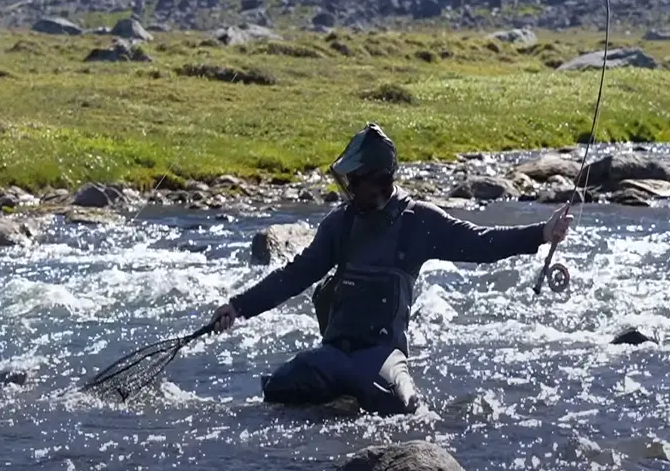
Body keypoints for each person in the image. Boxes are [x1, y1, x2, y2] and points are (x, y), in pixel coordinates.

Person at [210, 122, 573, 416]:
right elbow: (295, 275)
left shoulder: (420, 221)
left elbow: (481, 242)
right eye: (347, 179)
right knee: (277, 390)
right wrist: (239, 306)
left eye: (357, 181)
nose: (349, 188)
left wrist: (541, 233)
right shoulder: (340, 223)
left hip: (381, 356)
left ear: (382, 181)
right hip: (334, 354)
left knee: (406, 409)